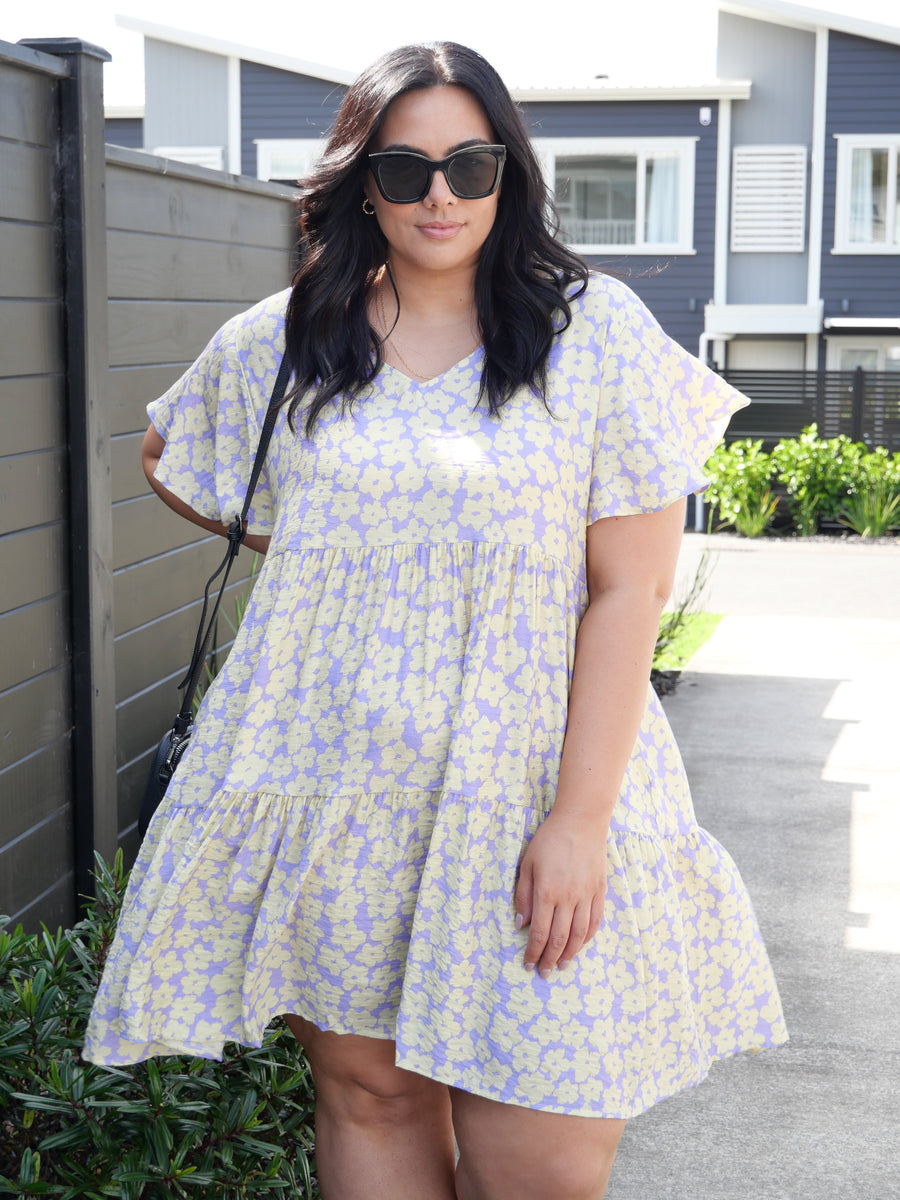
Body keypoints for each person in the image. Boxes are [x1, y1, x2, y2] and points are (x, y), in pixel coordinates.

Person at [84, 41, 787, 1200]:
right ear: (364, 185)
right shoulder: (285, 339)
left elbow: (629, 590)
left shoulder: (594, 333)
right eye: (405, 170)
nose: (440, 195)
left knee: (545, 1158)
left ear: (509, 171)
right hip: (335, 789)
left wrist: (580, 822)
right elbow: (170, 451)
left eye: (470, 164)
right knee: (372, 1095)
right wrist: (334, 558)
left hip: (532, 794)